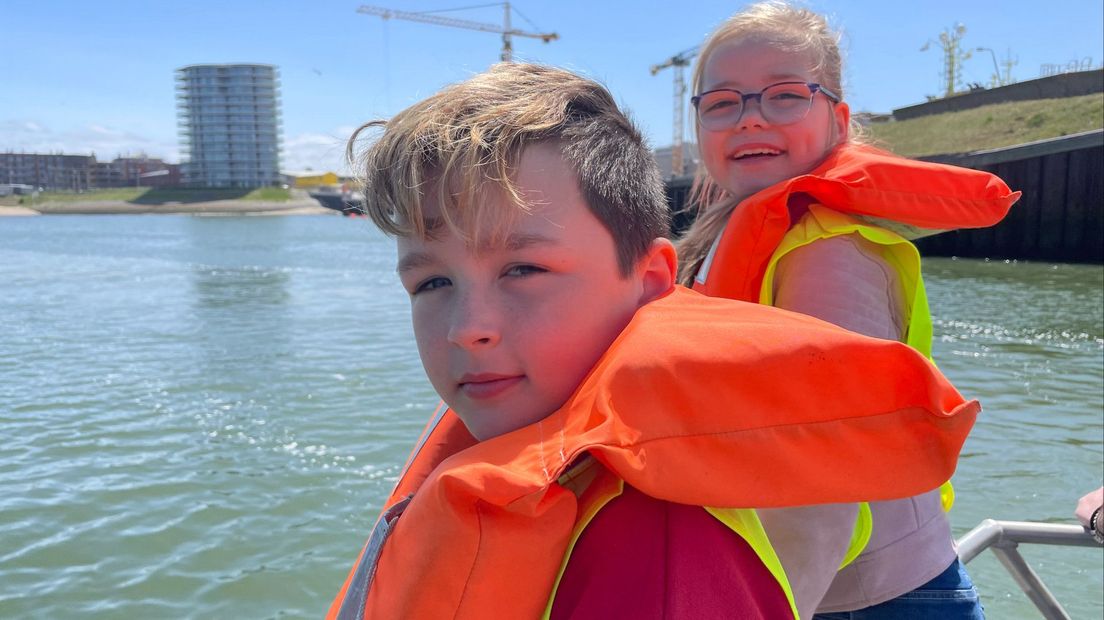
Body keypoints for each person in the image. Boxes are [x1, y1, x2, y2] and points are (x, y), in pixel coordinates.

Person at [327, 62, 983, 619]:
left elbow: (820, 500)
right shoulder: (531, 413)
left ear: (649, 283)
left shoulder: (664, 554)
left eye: (523, 270)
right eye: (431, 283)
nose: (467, 327)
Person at [677, 3, 1020, 618]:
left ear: (837, 120)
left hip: (865, 597)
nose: (750, 119)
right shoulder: (729, 236)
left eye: (784, 96)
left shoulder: (828, 256)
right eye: (722, 103)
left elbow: (822, 481)